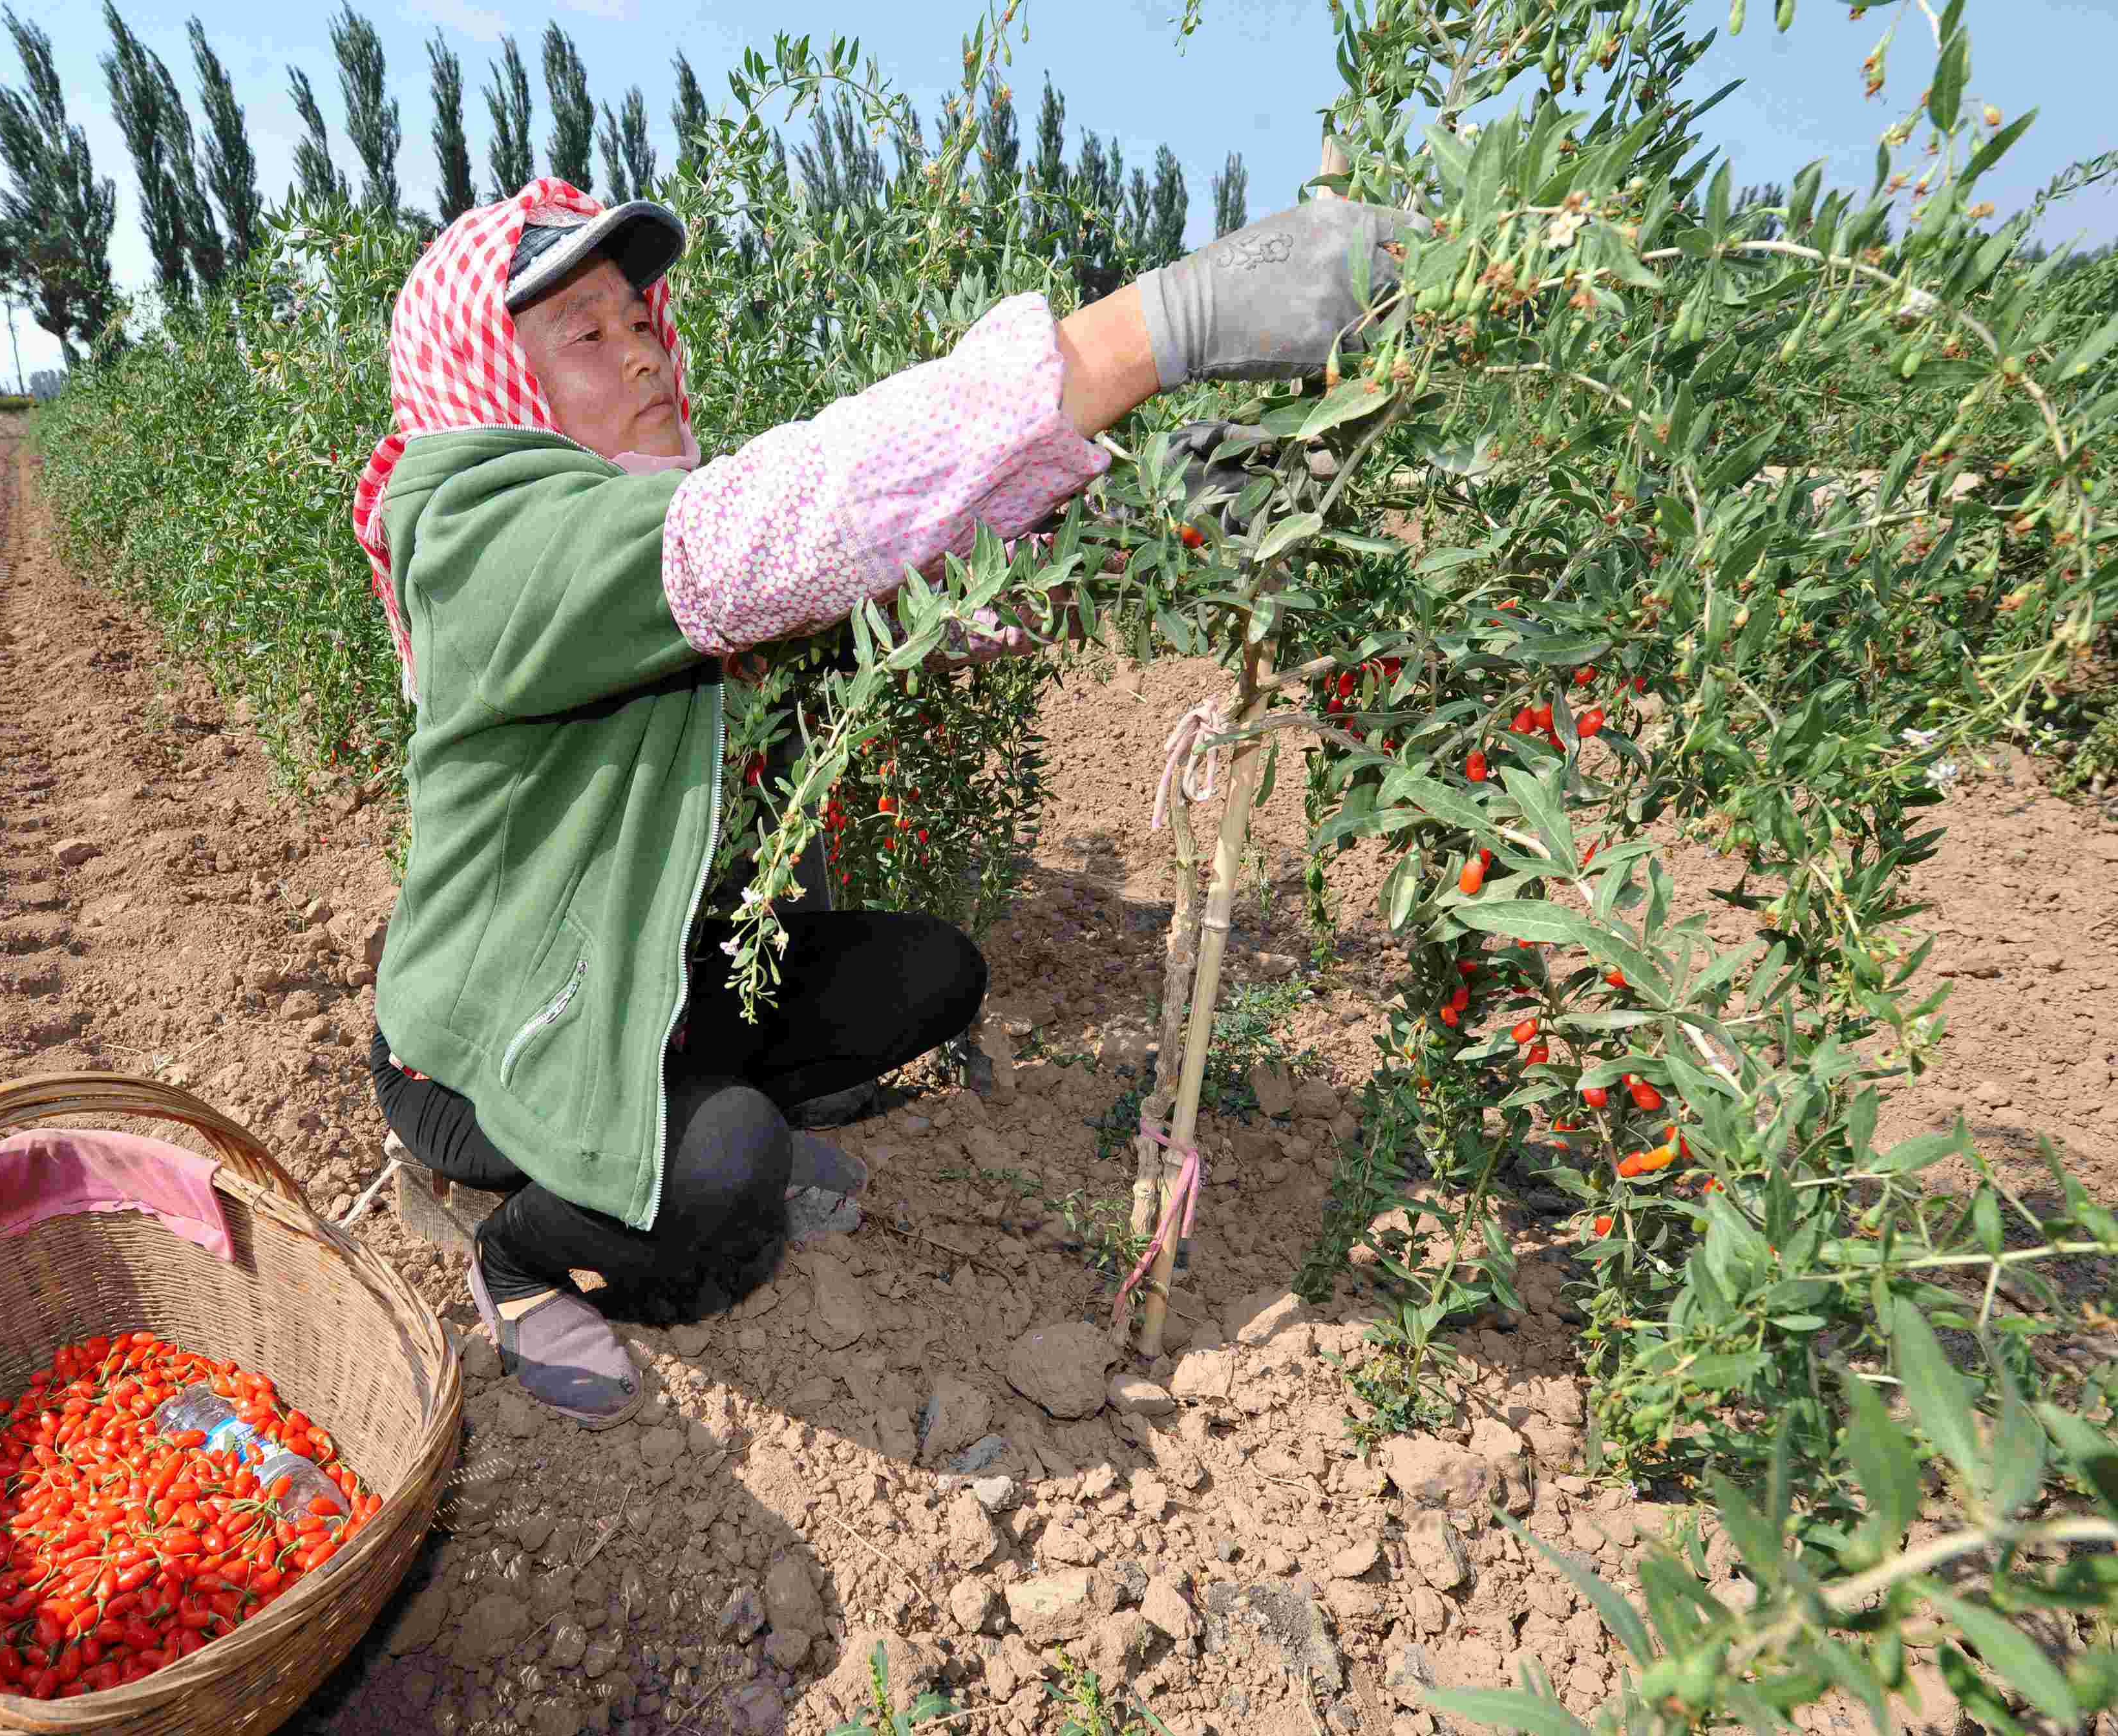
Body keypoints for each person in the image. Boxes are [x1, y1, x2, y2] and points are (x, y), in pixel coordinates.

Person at [355, 176, 1415, 1428]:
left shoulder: (633, 525)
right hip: (487, 1052)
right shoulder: (478, 532)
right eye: (586, 334)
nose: (640, 351)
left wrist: (1144, 506)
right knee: (724, 1167)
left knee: (925, 974)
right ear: (487, 375)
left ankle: (688, 1116)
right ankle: (530, 1257)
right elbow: (771, 533)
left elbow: (912, 593)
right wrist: (1151, 331)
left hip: (649, 982)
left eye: (640, 322)